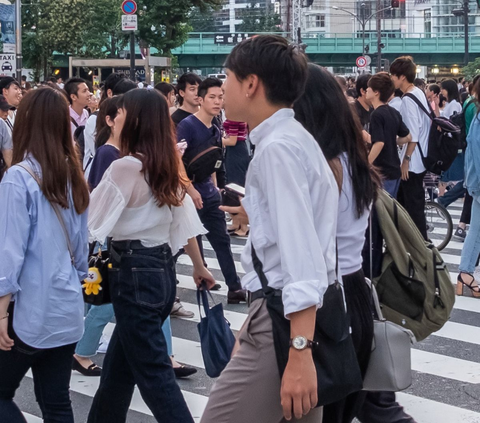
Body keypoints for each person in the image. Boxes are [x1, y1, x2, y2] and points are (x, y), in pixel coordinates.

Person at [201, 35, 336, 423]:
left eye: (226, 77)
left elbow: (302, 258)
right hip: (290, 315)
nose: (222, 88)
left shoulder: (277, 149)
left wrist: (298, 352)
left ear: (250, 83)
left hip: (287, 321)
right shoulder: (293, 140)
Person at [86, 89, 215, 423]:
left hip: (133, 272)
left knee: (155, 374)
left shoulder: (125, 167)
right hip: (160, 270)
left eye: (125, 111)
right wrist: (199, 266)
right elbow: (184, 222)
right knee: (119, 368)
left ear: (137, 120)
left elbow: (91, 223)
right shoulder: (170, 164)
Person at [294, 63, 380, 423]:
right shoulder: (354, 160)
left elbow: (307, 243)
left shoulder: (322, 167)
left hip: (325, 303)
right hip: (356, 293)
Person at [0, 87, 90, 422]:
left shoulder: (17, 179)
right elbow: (81, 251)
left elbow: (9, 254)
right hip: (65, 306)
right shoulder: (73, 176)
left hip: (27, 310)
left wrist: (0, 313)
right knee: (55, 401)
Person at [177, 78, 245, 304]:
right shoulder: (186, 126)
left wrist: (215, 186)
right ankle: (199, 277)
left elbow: (213, 160)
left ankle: (234, 287)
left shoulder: (216, 126)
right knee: (186, 241)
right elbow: (176, 161)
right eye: (212, 97)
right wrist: (188, 189)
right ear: (201, 99)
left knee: (221, 240)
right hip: (188, 193)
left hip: (208, 190)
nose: (218, 102)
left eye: (220, 97)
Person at [391, 56, 431, 240]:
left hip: (413, 163)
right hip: (420, 159)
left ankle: (421, 251)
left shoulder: (408, 99)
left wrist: (405, 161)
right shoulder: (419, 92)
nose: (392, 78)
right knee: (411, 208)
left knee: (412, 212)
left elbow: (412, 134)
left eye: (393, 75)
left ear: (402, 77)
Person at [366, 72, 411, 197]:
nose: (366, 90)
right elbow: (408, 137)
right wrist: (393, 140)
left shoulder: (376, 115)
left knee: (380, 213)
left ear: (376, 92)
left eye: (369, 87)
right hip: (394, 169)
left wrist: (366, 163)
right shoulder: (393, 112)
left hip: (382, 170)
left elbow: (379, 143)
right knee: (390, 210)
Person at [457, 78, 480, 298]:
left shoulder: (476, 116)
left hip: (476, 181)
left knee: (476, 230)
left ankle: (465, 273)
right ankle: (465, 272)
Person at [64, 78, 91, 144]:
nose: (89, 94)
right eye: (84, 91)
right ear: (73, 97)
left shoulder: (86, 113)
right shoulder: (64, 116)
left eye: (88, 90)